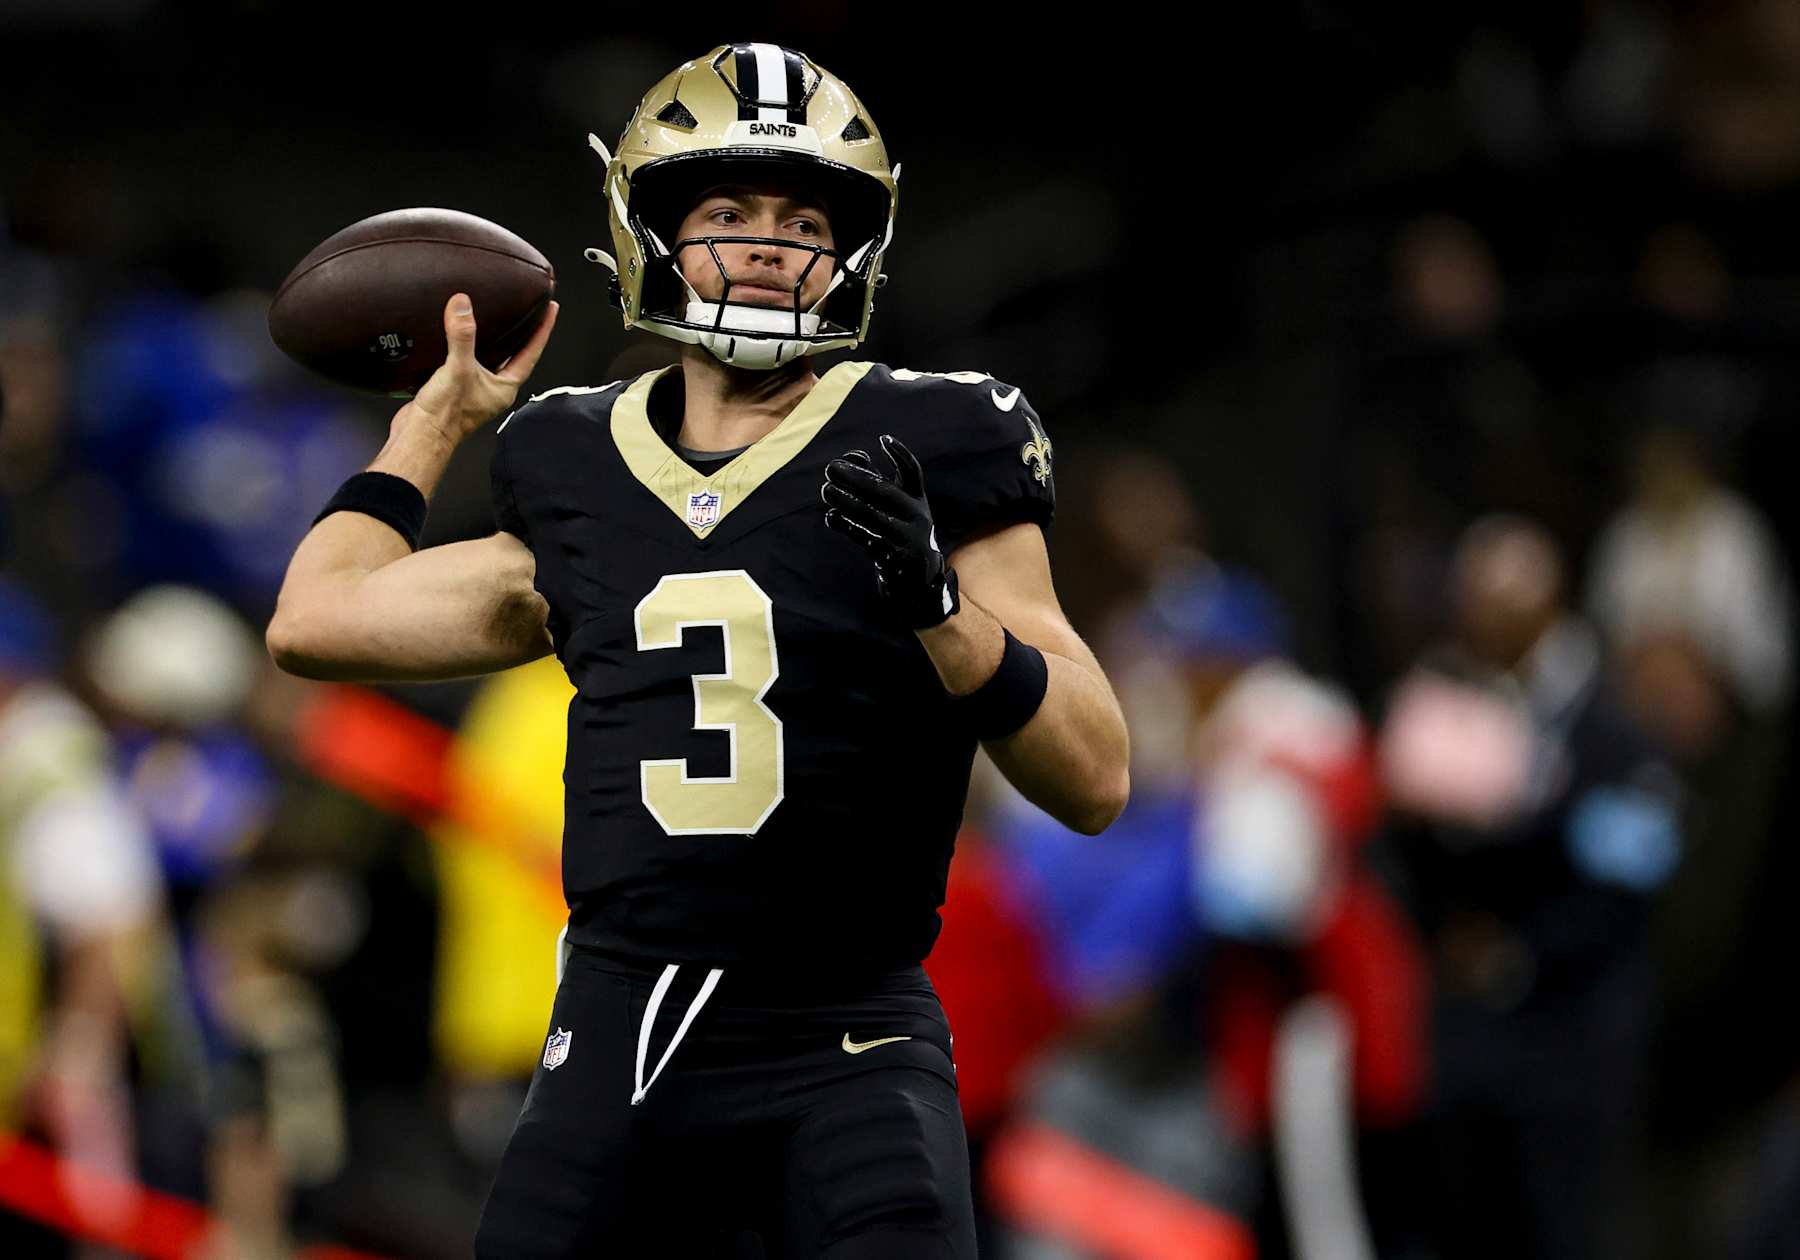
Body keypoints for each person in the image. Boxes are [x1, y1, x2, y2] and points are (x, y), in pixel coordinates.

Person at [266, 42, 1130, 1259]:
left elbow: (1096, 778)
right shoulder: (569, 460)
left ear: (855, 247)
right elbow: (315, 620)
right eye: (729, 210)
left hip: (848, 1033)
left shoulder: (940, 434)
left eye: (804, 216)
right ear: (649, 230)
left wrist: (943, 612)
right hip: (620, 1025)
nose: (771, 242)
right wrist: (433, 423)